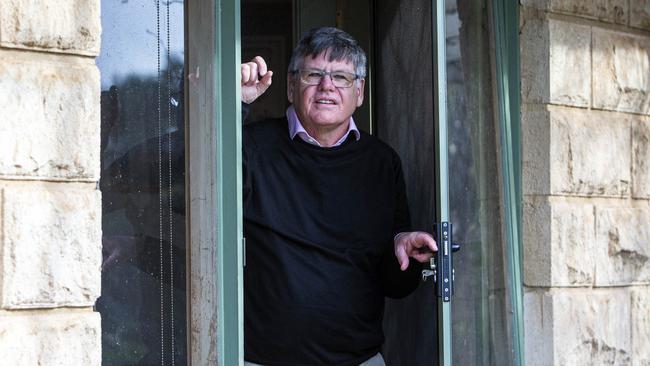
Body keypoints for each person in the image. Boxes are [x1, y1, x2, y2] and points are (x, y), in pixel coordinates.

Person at [240, 27, 437, 366]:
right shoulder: (251, 147)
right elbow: (188, 178)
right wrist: (235, 106)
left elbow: (395, 285)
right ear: (290, 86)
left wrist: (401, 252)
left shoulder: (381, 162)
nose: (327, 86)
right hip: (262, 360)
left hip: (359, 361)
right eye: (314, 74)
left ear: (359, 92)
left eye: (342, 77)